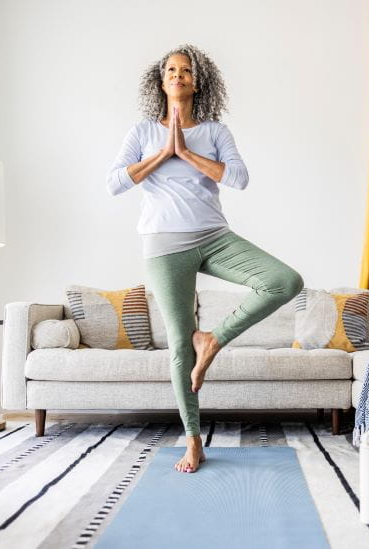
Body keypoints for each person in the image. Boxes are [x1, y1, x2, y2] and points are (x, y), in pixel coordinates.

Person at [106, 44, 304, 474]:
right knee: (179, 343)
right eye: (171, 70)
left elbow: (239, 178)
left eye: (186, 70)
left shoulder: (214, 131)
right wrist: (163, 153)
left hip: (214, 236)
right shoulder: (142, 132)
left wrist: (188, 153)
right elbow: (115, 184)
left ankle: (212, 339)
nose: (178, 75)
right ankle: (193, 440)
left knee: (285, 281)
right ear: (161, 82)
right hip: (163, 244)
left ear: (197, 81)